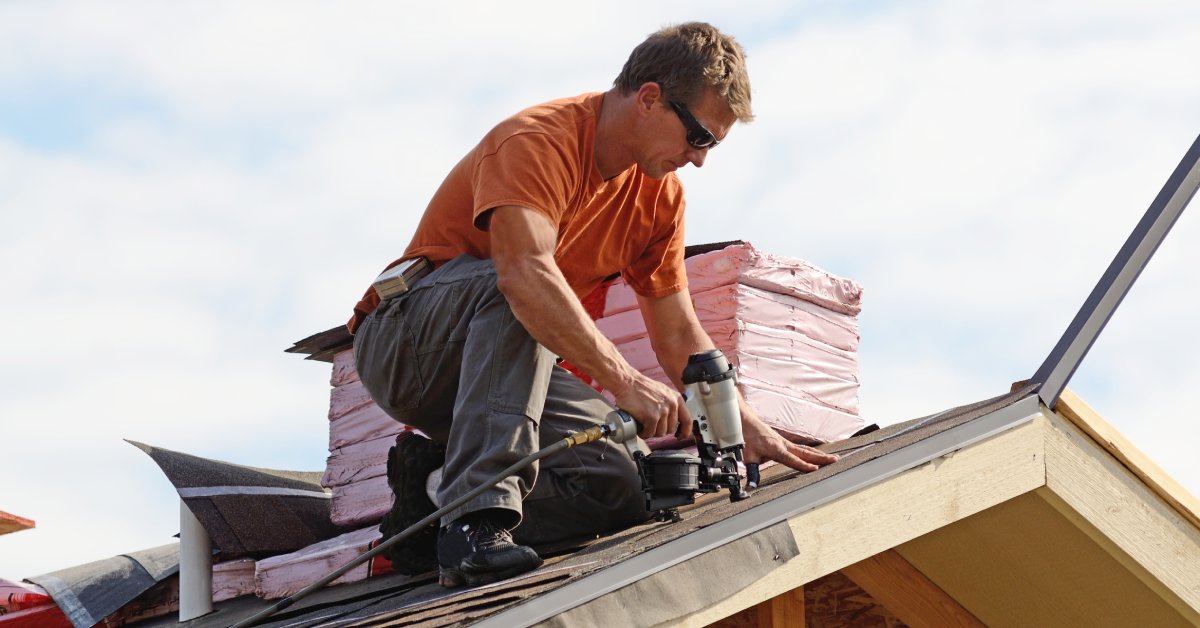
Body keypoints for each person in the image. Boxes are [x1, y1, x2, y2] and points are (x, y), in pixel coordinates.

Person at [348, 22, 838, 588]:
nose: (700, 160)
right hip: (405, 344)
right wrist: (625, 382)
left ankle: (429, 506)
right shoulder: (536, 140)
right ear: (650, 98)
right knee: (524, 288)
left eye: (713, 145)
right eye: (699, 137)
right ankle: (473, 525)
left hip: (501, 368)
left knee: (616, 483)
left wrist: (746, 426)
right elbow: (524, 275)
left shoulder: (660, 196)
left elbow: (679, 334)